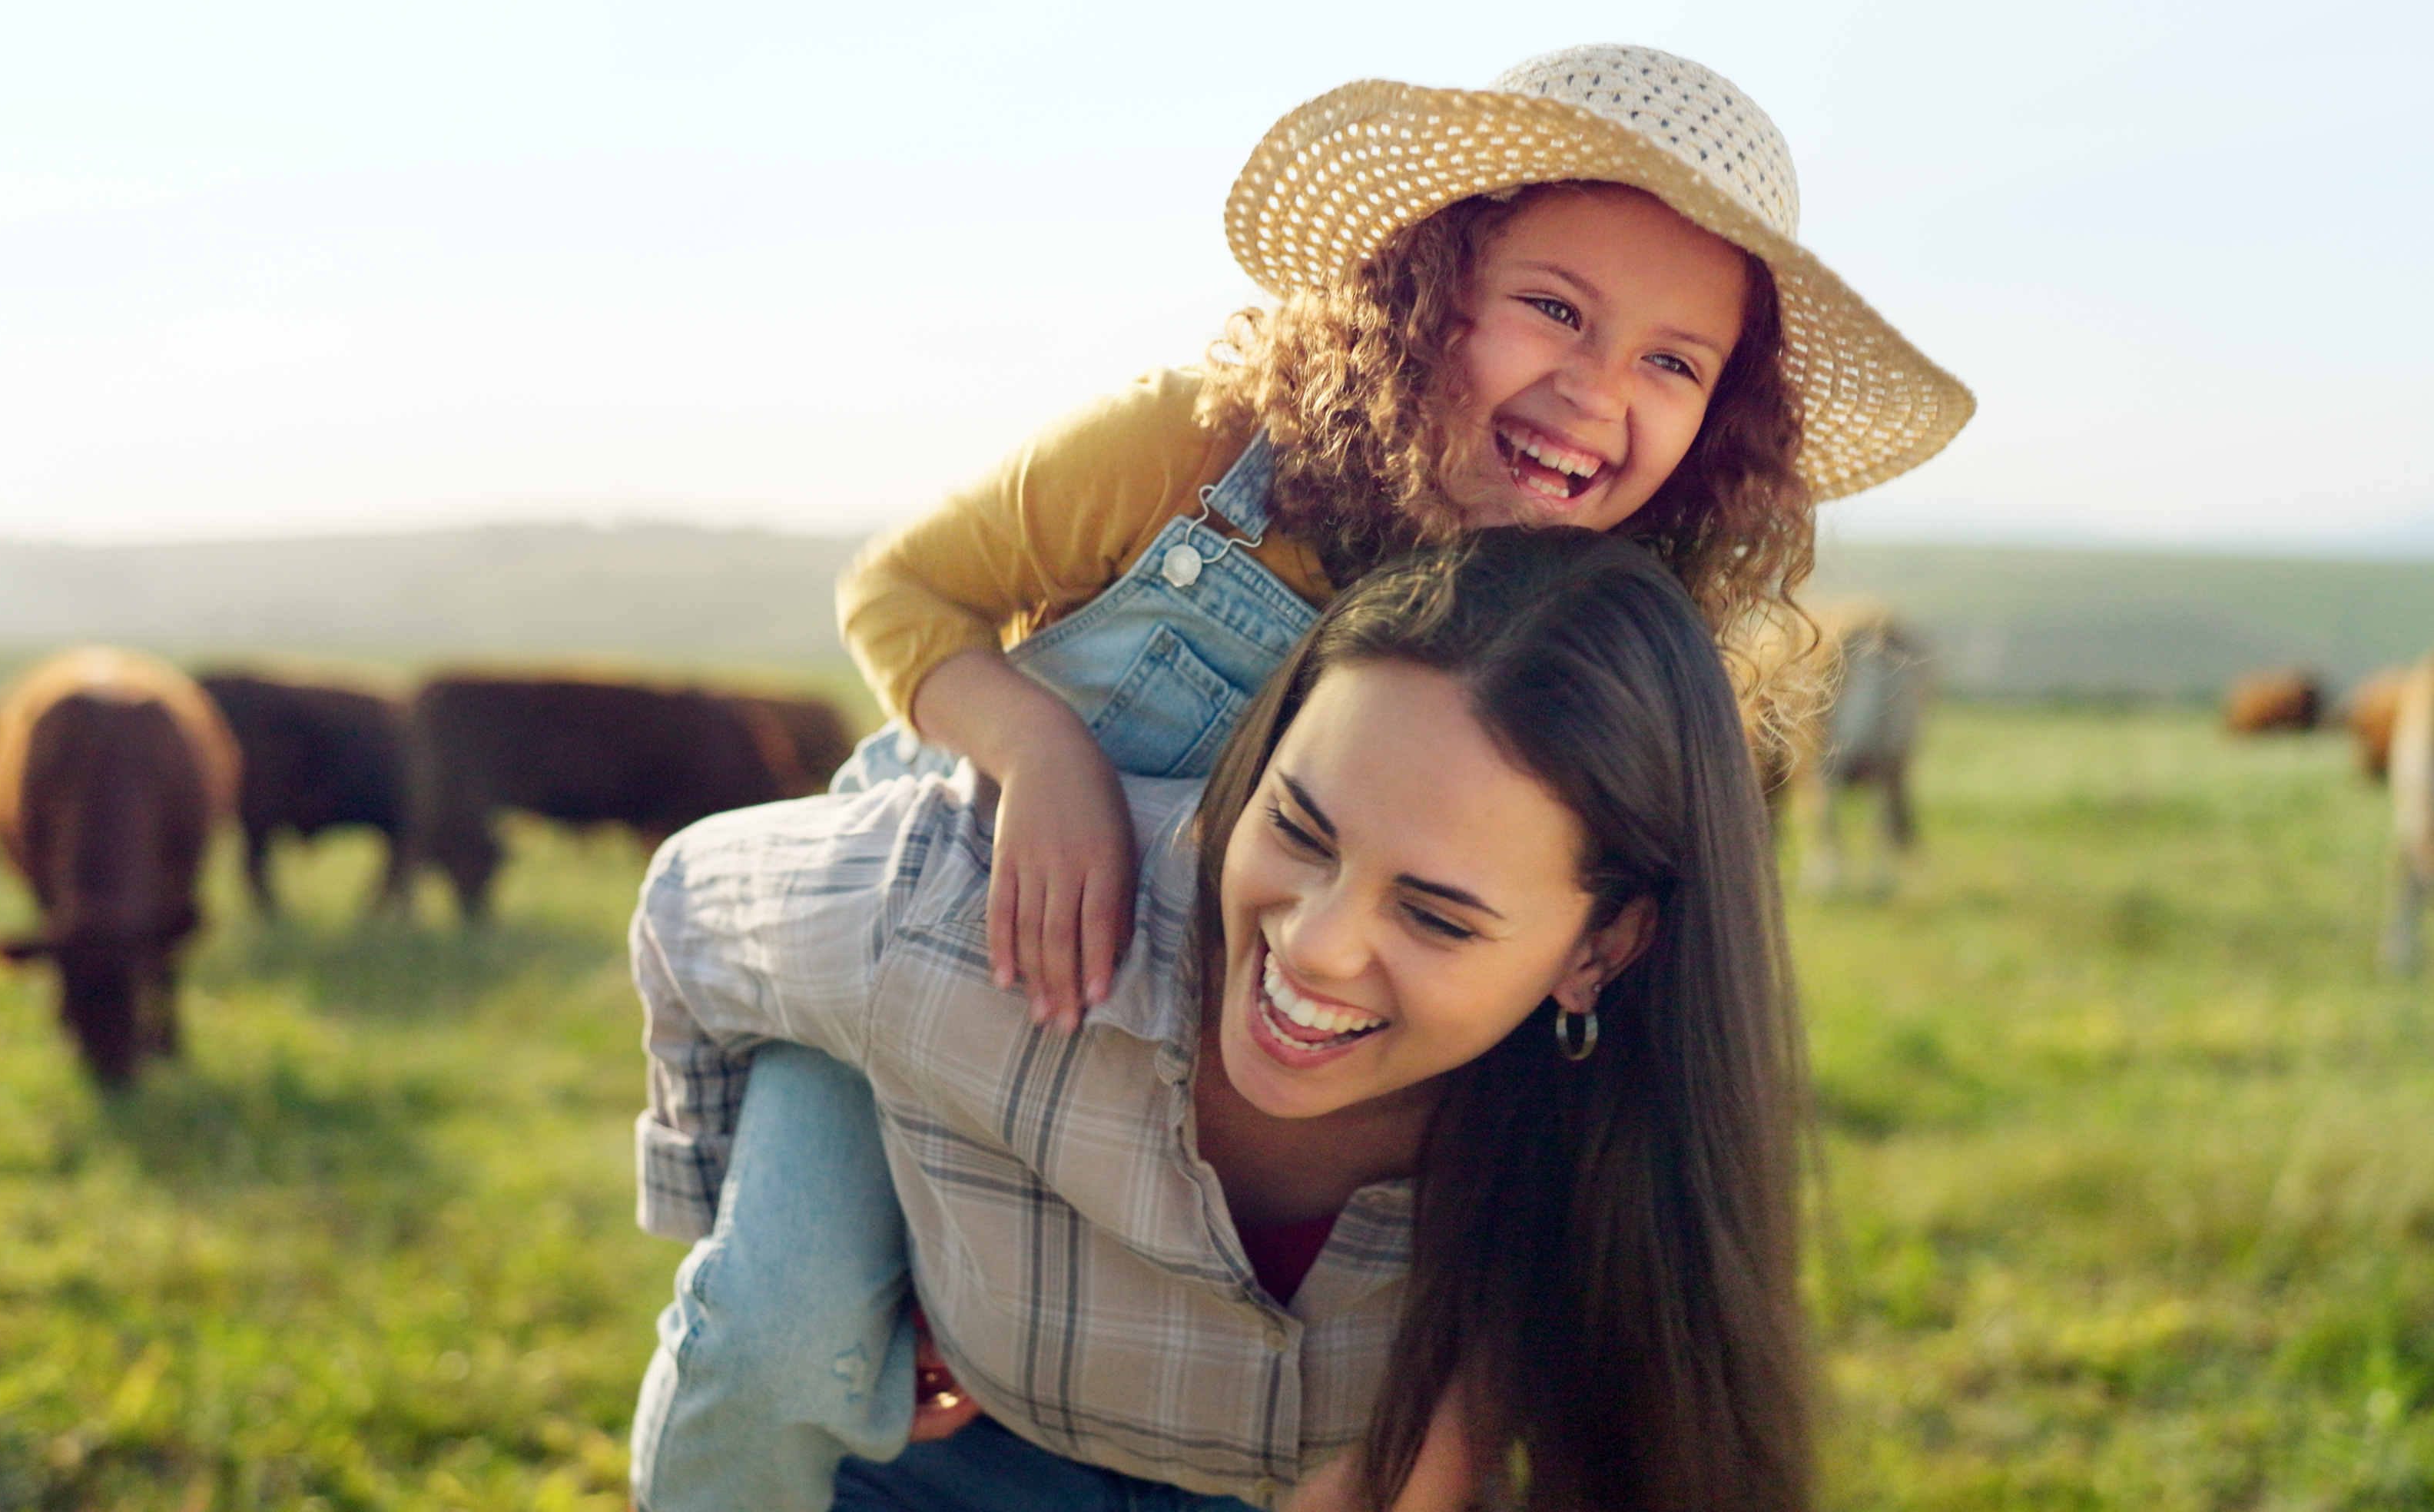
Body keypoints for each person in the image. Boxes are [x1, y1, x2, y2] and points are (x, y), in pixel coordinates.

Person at [630, 44, 1971, 1510]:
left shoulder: (1624, 655)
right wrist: (1039, 751)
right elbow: (903, 591)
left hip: (1199, 1069)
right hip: (949, 927)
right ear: (1426, 285)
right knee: (785, 1341)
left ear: (1718, 424)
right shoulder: (1198, 447)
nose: (1595, 392)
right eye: (1552, 311)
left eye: (1671, 362)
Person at [636, 529, 1814, 1510]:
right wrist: (792, 1255)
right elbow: (689, 907)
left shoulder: (1607, 1146)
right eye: (1297, 830)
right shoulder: (952, 919)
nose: (1313, 944)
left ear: (1601, 950)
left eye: (1438, 918)